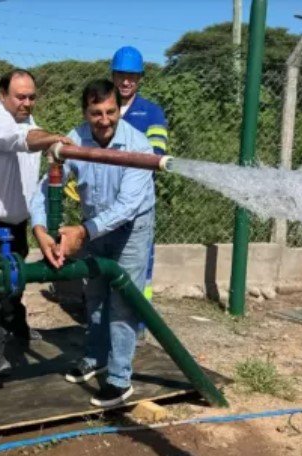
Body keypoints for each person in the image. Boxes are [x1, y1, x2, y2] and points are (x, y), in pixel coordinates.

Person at [30, 79, 155, 407]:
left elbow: (127, 206)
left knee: (123, 301)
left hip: (130, 228)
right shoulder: (75, 139)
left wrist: (82, 232)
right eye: (96, 113)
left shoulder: (139, 146)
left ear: (119, 109)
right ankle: (96, 357)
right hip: (94, 224)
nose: (104, 120)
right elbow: (46, 187)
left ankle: (119, 378)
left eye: (111, 112)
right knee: (96, 294)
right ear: (85, 113)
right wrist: (40, 229)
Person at [0, 69, 71, 375]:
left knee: (15, 280)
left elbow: (31, 136)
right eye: (20, 97)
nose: (27, 103)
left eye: (32, 97)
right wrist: (51, 139)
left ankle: (15, 326)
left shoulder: (29, 121)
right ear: (2, 94)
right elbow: (15, 139)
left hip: (14, 221)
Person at [111, 45, 168, 333]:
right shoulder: (104, 107)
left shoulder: (151, 113)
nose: (126, 81)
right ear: (113, 75)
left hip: (137, 201)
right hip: (106, 201)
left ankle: (140, 322)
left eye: (131, 77)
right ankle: (109, 319)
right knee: (109, 259)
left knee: (141, 262)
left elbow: (156, 154)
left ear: (140, 78)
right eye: (121, 75)